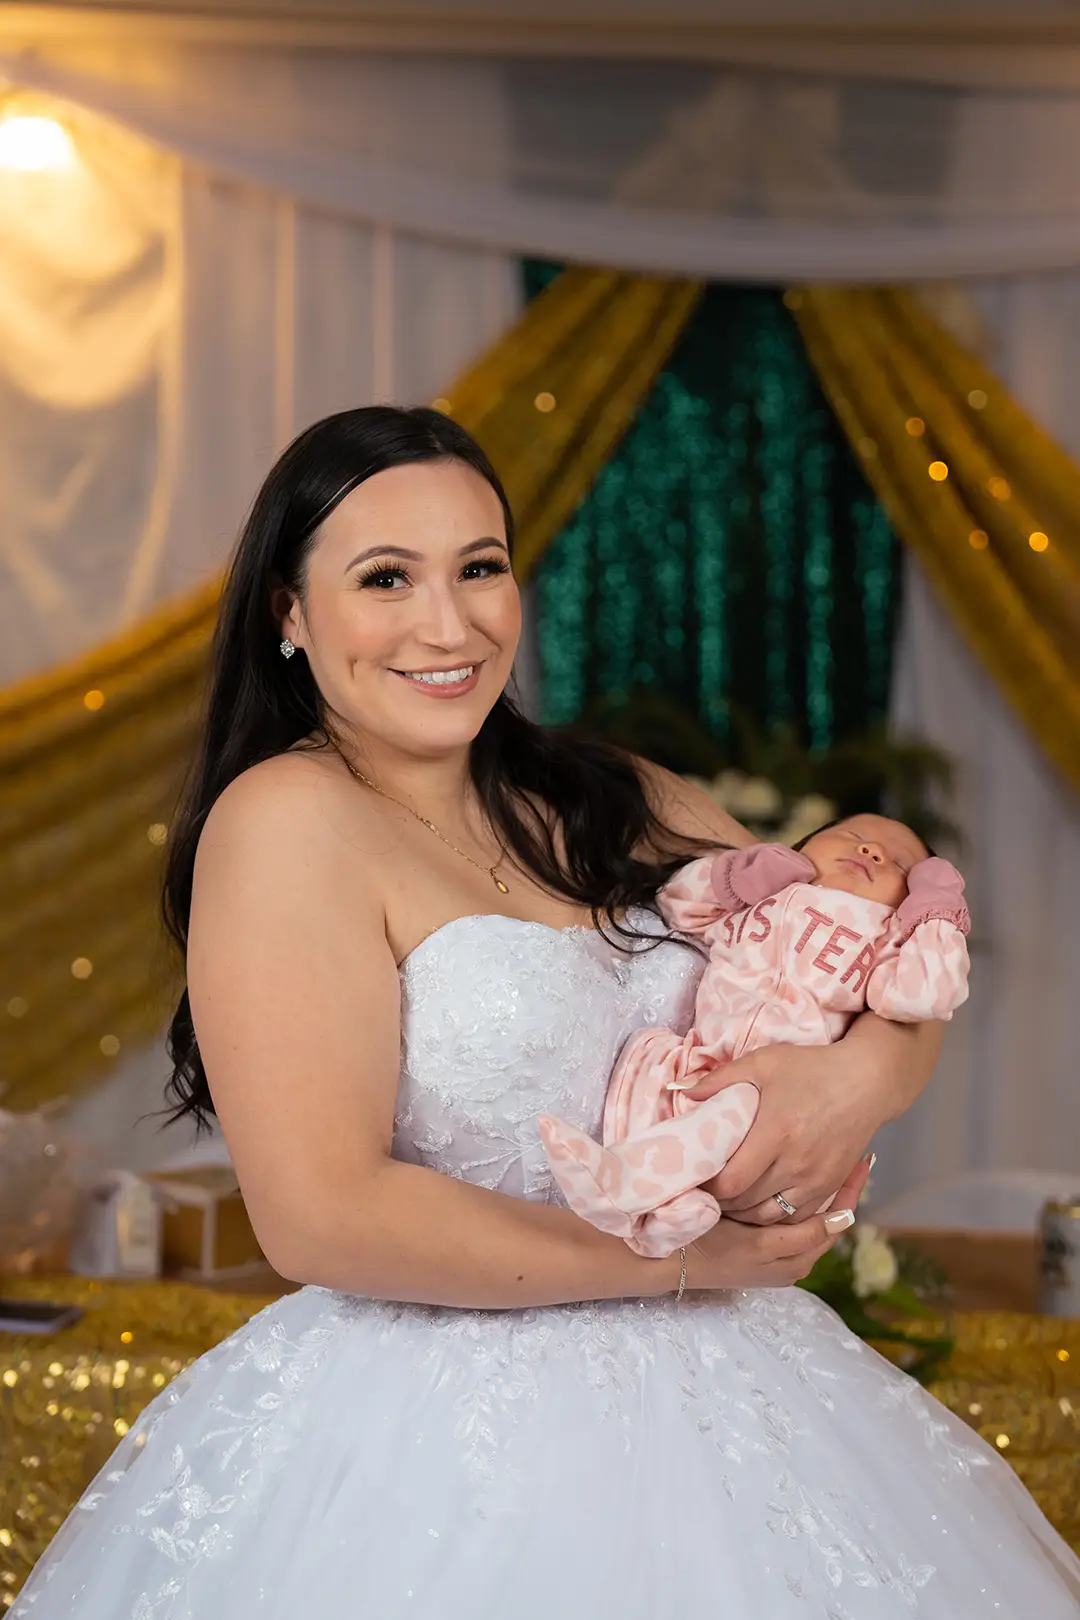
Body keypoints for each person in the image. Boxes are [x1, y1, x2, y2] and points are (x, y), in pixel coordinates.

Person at [14, 406, 1079, 1618]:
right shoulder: (285, 820)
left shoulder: (608, 795)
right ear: (289, 614)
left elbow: (869, 931)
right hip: (435, 1437)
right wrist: (684, 1266)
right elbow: (319, 1216)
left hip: (742, 1401)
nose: (449, 623)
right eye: (385, 578)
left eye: (481, 567)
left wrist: (866, 1079)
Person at [539, 820, 971, 1256]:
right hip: (702, 1057)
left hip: (780, 1092)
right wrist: (736, 877)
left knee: (733, 1106)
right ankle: (670, 1214)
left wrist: (936, 914)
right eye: (853, 838)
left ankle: (626, 1184)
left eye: (899, 865)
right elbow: (677, 905)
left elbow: (923, 997)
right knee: (649, 1063)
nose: (873, 852)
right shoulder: (761, 895)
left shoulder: (887, 937)